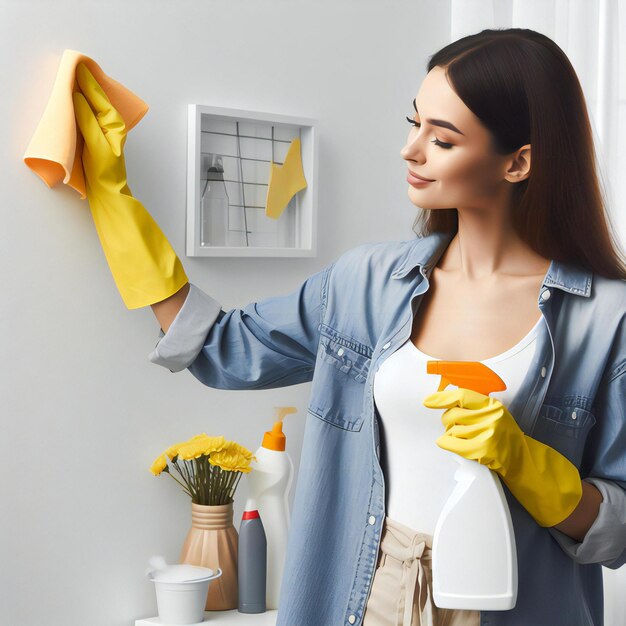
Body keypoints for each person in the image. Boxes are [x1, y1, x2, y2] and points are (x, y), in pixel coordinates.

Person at [74, 28, 625, 626]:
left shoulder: (607, 320)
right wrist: (112, 196)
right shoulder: (365, 282)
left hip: (514, 604)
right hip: (368, 590)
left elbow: (619, 532)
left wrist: (529, 465)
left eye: (441, 139)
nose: (410, 150)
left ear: (518, 162)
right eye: (413, 124)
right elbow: (222, 349)